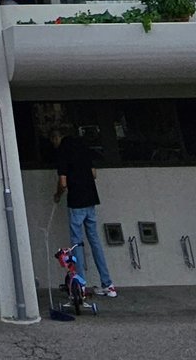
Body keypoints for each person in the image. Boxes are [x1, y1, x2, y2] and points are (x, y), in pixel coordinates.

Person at [51, 123, 116, 297]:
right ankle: (108, 284)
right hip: (90, 199)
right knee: (94, 240)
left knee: (77, 243)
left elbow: (63, 182)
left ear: (57, 138)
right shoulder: (83, 147)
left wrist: (57, 194)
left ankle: (80, 283)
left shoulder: (63, 151)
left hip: (76, 201)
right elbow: (94, 173)